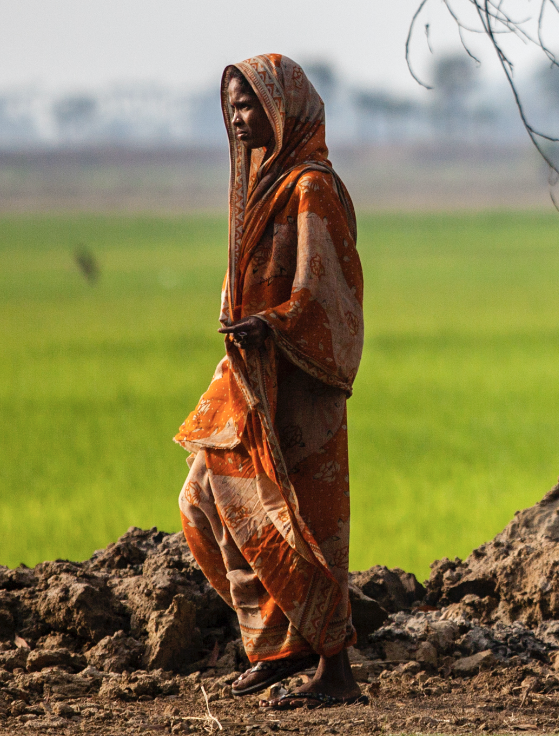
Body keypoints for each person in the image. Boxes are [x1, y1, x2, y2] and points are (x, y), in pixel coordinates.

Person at [176, 54, 367, 710]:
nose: (238, 114)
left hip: (299, 378)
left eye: (251, 102)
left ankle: (336, 672)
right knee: (206, 498)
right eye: (231, 102)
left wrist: (277, 325)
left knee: (305, 523)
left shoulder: (311, 185)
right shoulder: (262, 184)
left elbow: (324, 288)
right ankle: (280, 647)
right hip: (250, 372)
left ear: (287, 109)